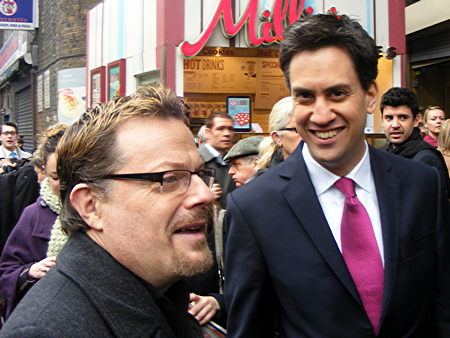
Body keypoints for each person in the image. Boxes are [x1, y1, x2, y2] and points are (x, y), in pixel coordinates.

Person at [224, 14, 450, 337]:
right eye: (305, 96)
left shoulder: (421, 184)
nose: (320, 114)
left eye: (337, 94)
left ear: (370, 96)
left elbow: (442, 307)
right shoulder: (254, 208)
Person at [0, 84, 215, 337]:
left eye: (199, 174)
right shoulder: (44, 331)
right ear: (91, 205)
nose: (205, 194)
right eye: (169, 178)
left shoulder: (166, 296)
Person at [0, 123, 67, 319]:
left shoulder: (102, 212)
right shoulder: (33, 214)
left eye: (71, 175)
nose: (64, 184)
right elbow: (7, 270)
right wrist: (30, 271)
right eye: (56, 177)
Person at [379, 87, 449, 196]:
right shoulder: (379, 155)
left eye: (403, 117)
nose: (395, 125)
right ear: (382, 120)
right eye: (389, 118)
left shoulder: (428, 159)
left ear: (416, 120)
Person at [255, 97, 302, 175]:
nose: (307, 135)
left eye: (312, 128)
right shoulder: (265, 182)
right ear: (277, 137)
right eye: (299, 130)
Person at [198, 111, 236, 208]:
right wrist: (203, 197)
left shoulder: (234, 161)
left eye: (230, 129)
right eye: (220, 128)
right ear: (208, 132)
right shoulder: (195, 161)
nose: (227, 134)